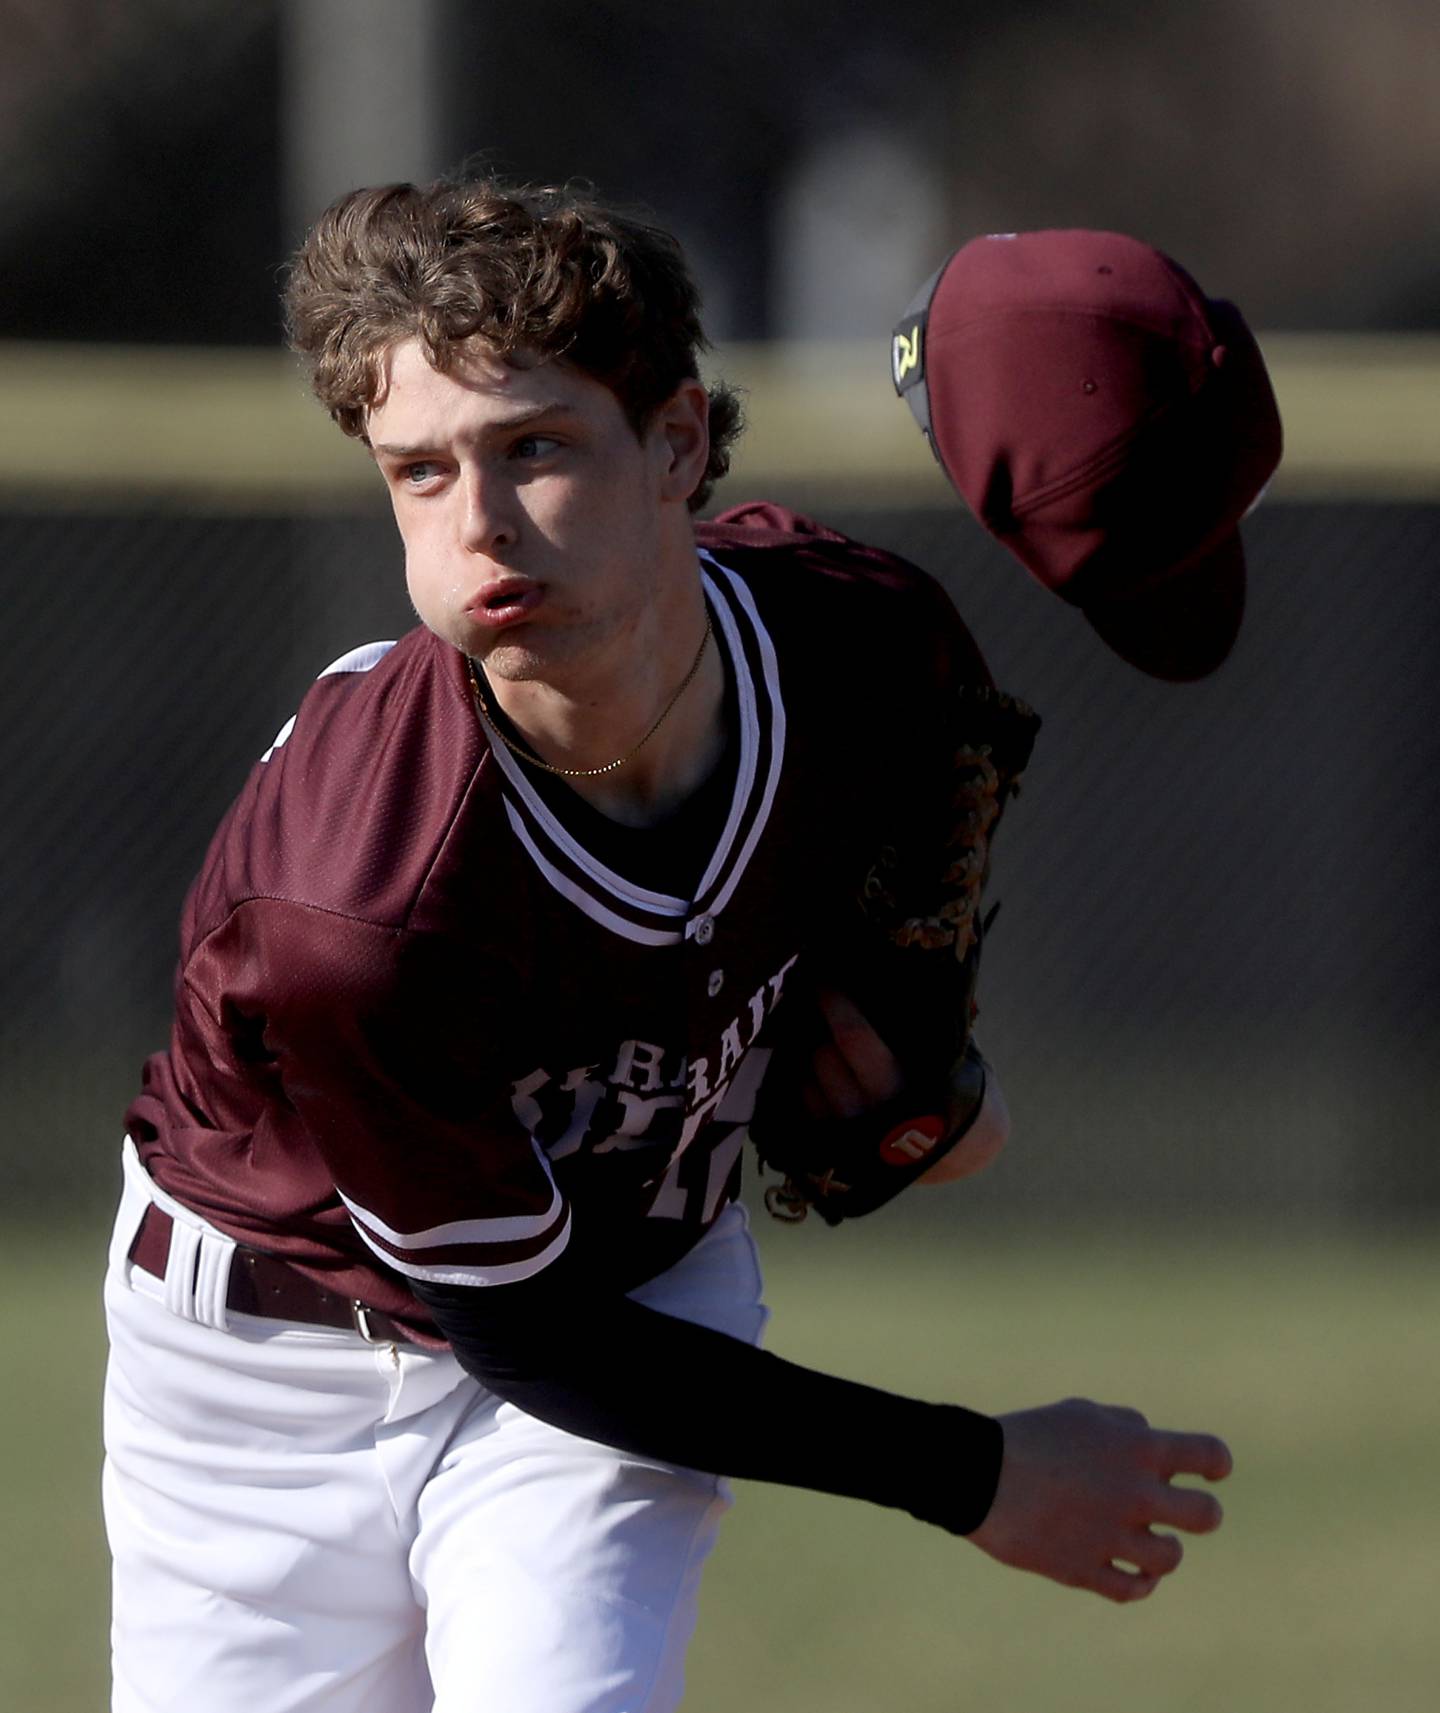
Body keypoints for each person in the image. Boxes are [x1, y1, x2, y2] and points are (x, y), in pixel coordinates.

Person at [103, 177, 1234, 1713]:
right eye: (418, 472)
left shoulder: (865, 651)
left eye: (537, 447)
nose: (480, 524)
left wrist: (918, 1083)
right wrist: (975, 1470)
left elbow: (879, 1059)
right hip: (264, 1373)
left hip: (632, 1286)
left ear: (680, 447)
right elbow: (531, 1332)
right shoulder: (356, 901)